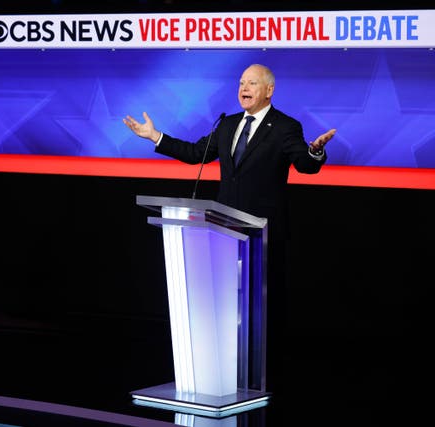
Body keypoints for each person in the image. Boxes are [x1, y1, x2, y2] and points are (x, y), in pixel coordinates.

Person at [123, 63, 336, 393]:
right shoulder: (228, 125)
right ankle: (225, 373)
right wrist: (155, 136)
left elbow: (305, 165)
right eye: (240, 82)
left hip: (262, 235)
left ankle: (264, 379)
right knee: (225, 308)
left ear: (269, 90)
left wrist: (316, 150)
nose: (244, 88)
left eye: (252, 83)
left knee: (261, 314)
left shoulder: (284, 127)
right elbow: (196, 154)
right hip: (222, 232)